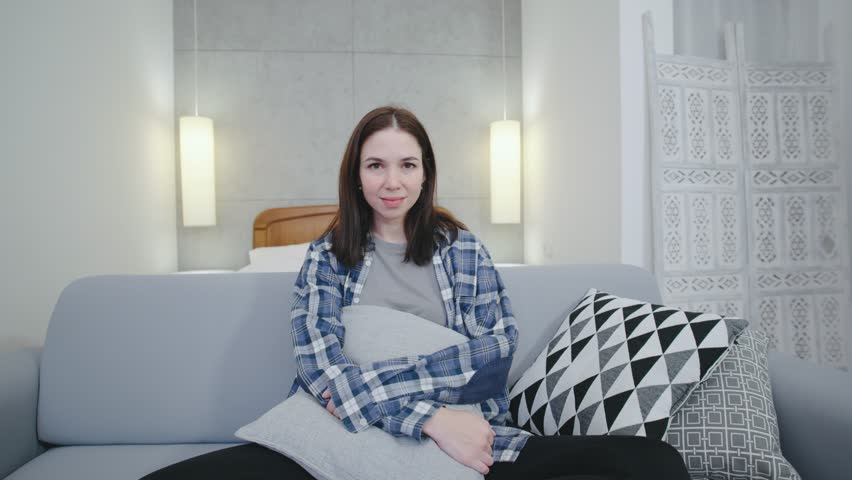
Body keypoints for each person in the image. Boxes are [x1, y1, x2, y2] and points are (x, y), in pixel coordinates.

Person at [143, 106, 690, 480]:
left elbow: (493, 351)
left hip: (465, 432)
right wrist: (429, 418)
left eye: (407, 165)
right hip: (345, 432)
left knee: (652, 460)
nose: (392, 182)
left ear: (426, 175)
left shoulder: (464, 250)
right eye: (376, 165)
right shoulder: (324, 257)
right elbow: (322, 375)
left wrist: (404, 401)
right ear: (356, 176)